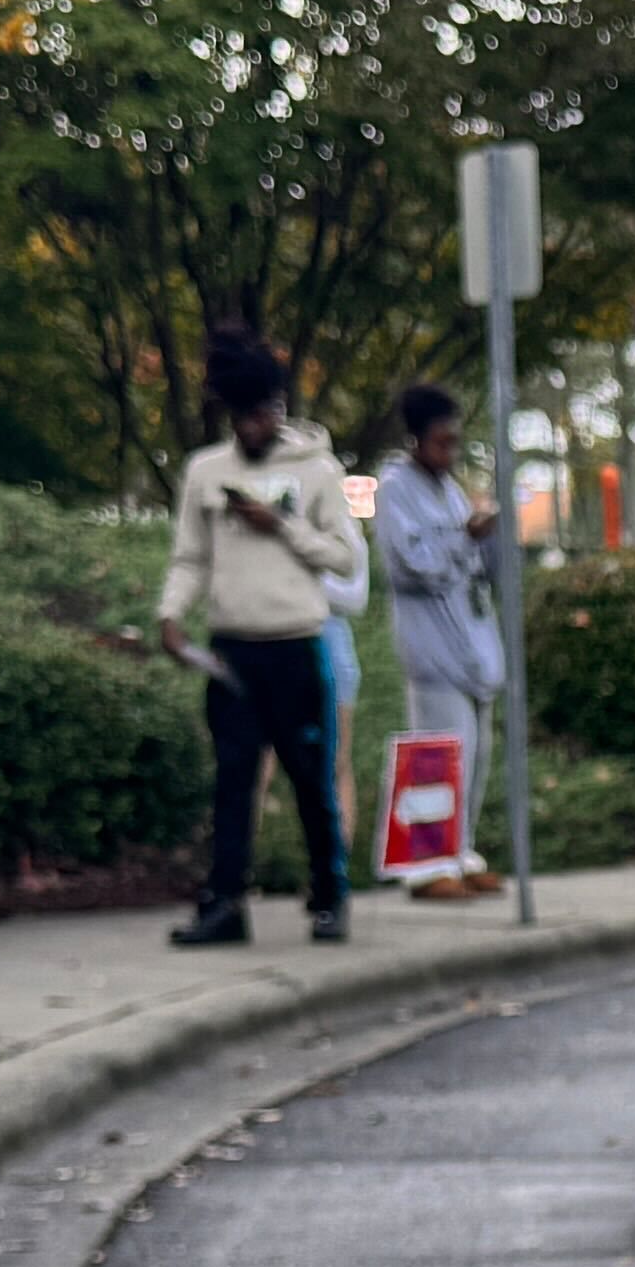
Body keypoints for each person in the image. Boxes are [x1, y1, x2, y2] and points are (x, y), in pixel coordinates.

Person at [159, 322, 364, 942]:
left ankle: (329, 895)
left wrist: (281, 526)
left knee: (311, 778)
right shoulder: (205, 471)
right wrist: (171, 614)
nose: (255, 426)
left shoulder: (318, 470)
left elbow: (345, 557)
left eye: (265, 413)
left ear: (280, 407)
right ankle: (224, 904)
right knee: (233, 780)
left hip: (296, 645)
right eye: (244, 416)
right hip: (232, 650)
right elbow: (190, 557)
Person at [372, 382, 501, 892]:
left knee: (474, 753)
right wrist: (464, 538)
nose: (449, 453)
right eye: (441, 442)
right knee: (437, 750)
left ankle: (458, 850)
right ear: (416, 440)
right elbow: (410, 563)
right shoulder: (394, 488)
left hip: (470, 638)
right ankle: (425, 864)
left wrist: (481, 538)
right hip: (430, 641)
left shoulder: (449, 488)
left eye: (454, 442)